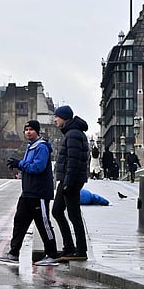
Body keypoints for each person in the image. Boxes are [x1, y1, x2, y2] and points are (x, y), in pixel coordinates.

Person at [0, 120, 60, 266]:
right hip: (27, 192)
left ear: (37, 131)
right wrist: (20, 165)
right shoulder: (30, 147)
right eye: (26, 129)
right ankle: (13, 253)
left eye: (31, 129)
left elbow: (37, 167)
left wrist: (19, 164)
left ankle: (52, 254)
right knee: (19, 222)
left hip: (38, 194)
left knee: (43, 224)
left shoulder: (42, 147)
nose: (28, 132)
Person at [50, 105, 90, 261]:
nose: (55, 120)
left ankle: (80, 250)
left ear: (64, 118)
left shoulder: (73, 134)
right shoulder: (72, 133)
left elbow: (73, 161)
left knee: (73, 215)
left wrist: (67, 183)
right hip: (69, 179)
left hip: (71, 180)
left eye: (57, 117)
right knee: (58, 211)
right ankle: (69, 248)